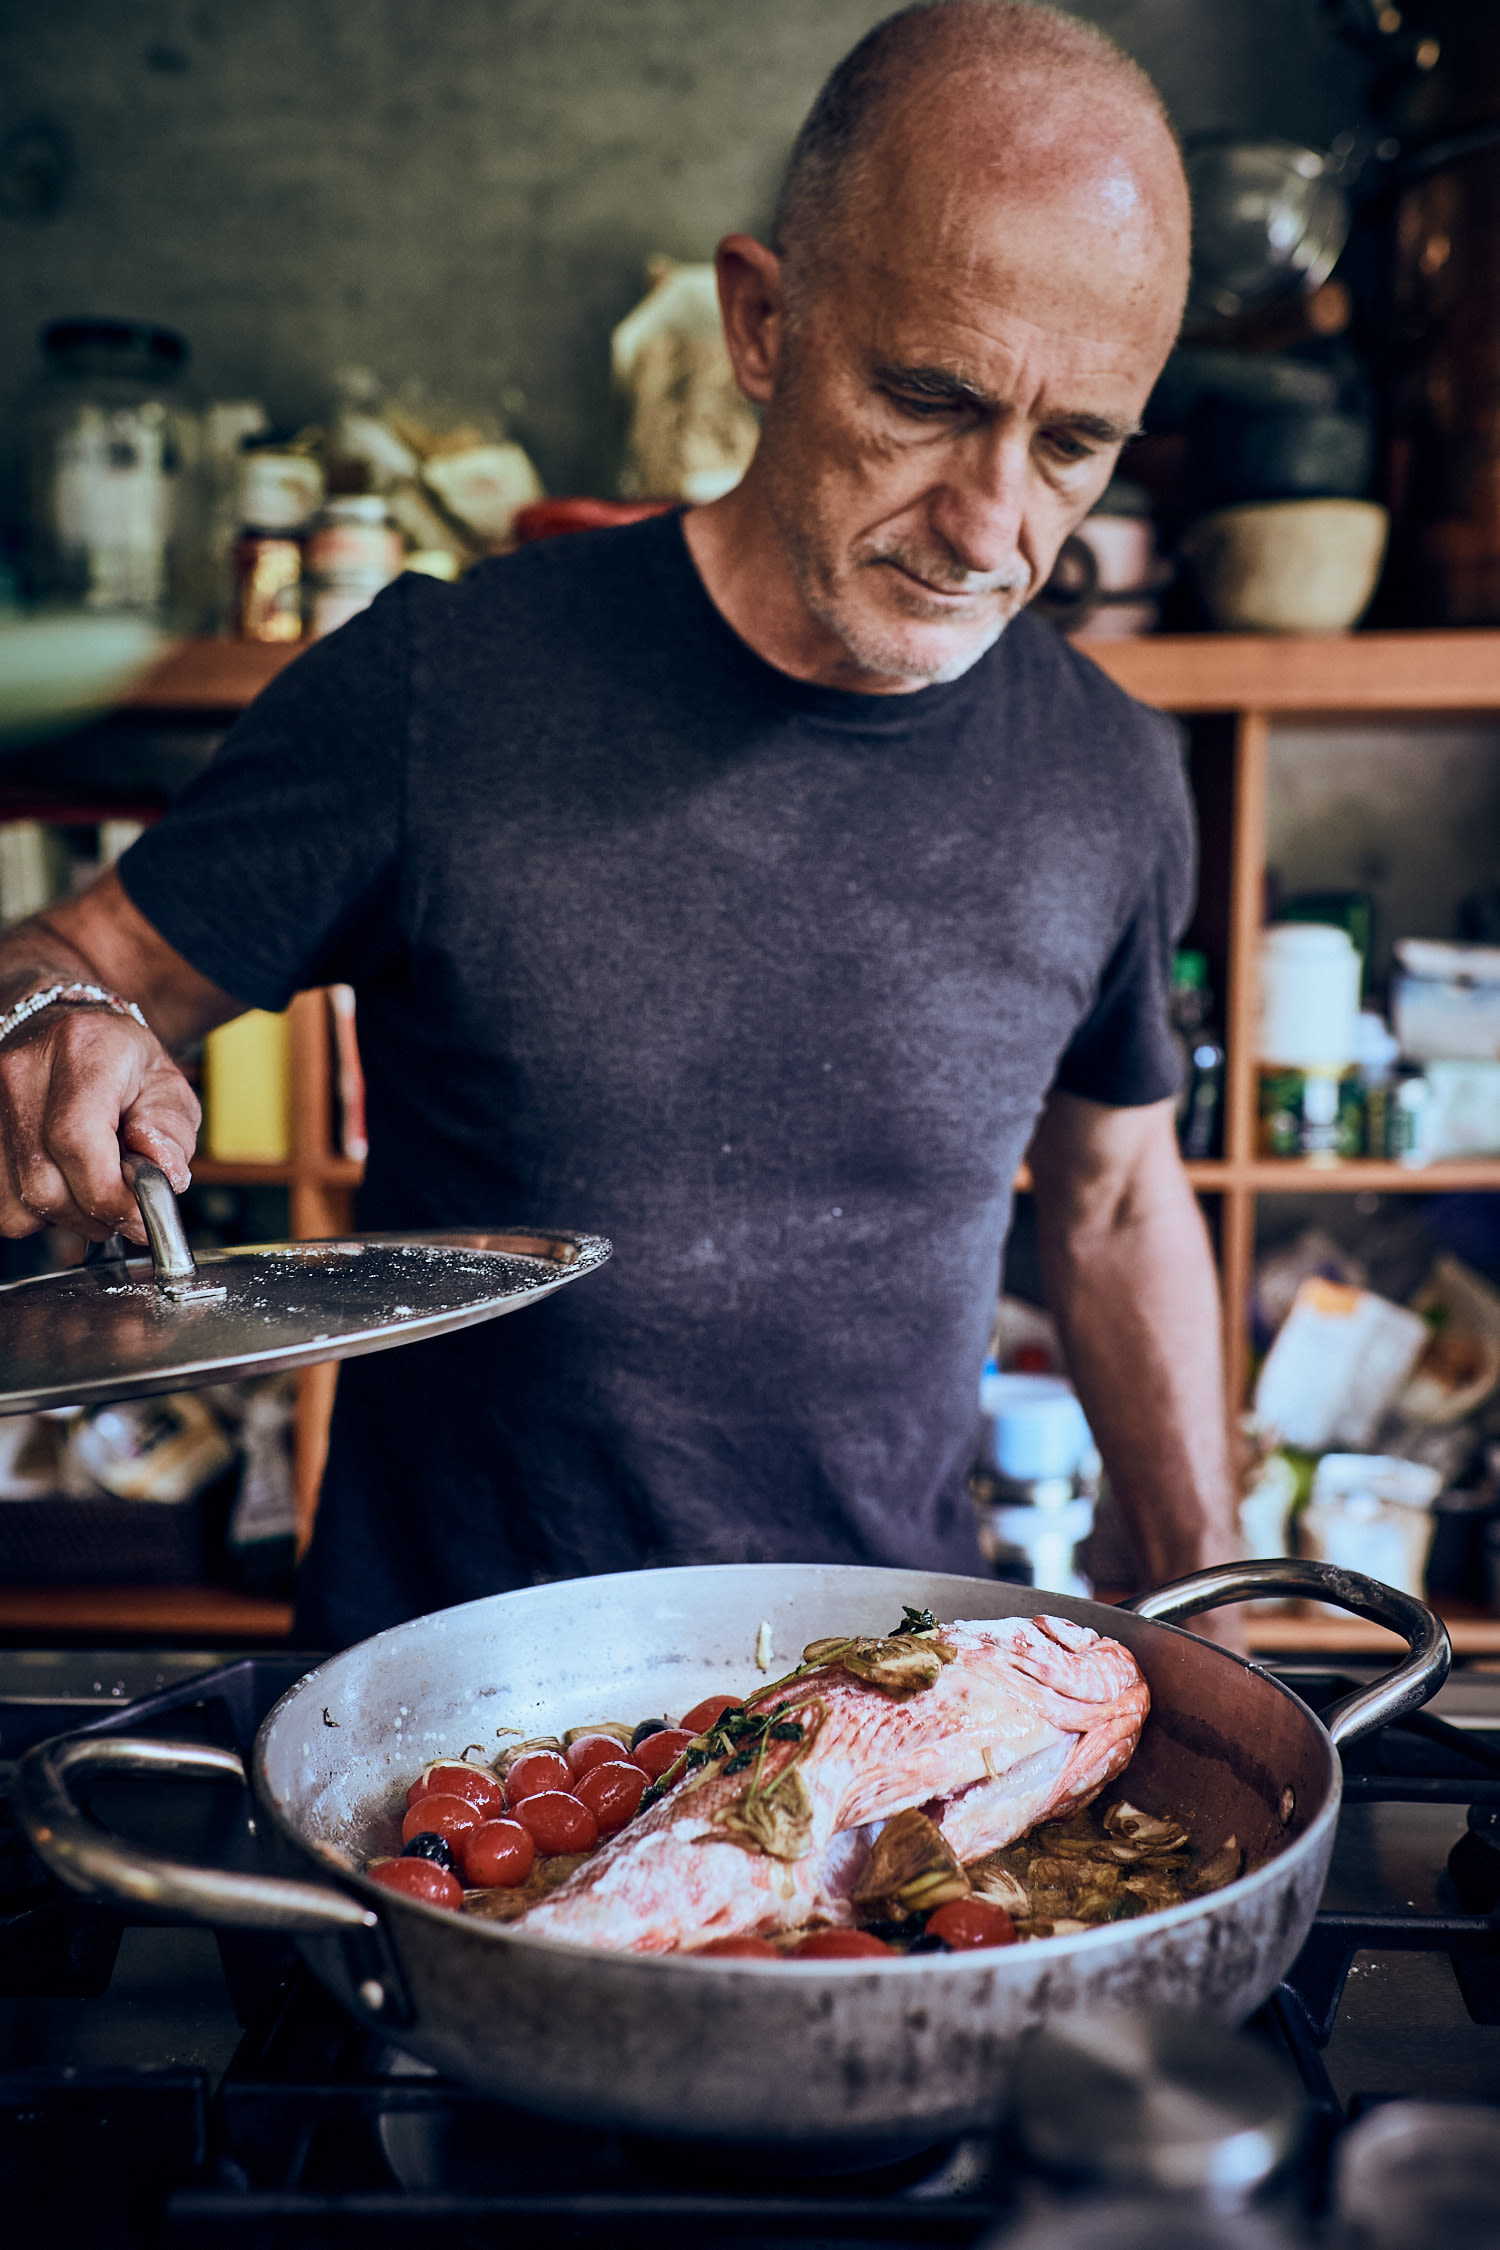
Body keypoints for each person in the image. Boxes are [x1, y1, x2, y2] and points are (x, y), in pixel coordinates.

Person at [0, 0, 1238, 1649]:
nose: (993, 526)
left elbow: (1117, 1201)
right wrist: (54, 1020)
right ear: (762, 323)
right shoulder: (439, 688)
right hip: (450, 1739)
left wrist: (1220, 1619)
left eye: (1075, 443)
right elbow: (73, 963)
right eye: (930, 398)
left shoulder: (1114, 774)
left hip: (878, 1718)